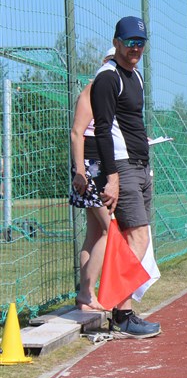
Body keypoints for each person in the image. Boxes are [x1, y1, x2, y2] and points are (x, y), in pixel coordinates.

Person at [90, 16, 160, 338]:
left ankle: (122, 308)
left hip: (140, 164)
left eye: (140, 43)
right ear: (117, 41)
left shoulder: (136, 77)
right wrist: (113, 177)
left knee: (137, 239)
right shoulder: (108, 78)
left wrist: (146, 163)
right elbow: (102, 130)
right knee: (137, 237)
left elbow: (134, 124)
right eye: (130, 42)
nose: (135, 49)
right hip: (122, 165)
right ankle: (122, 313)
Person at [69, 47, 116, 311]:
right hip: (89, 166)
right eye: (111, 62)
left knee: (95, 231)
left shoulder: (113, 92)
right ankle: (87, 293)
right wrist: (80, 171)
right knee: (109, 229)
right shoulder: (92, 89)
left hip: (99, 163)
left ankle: (86, 293)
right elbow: (77, 132)